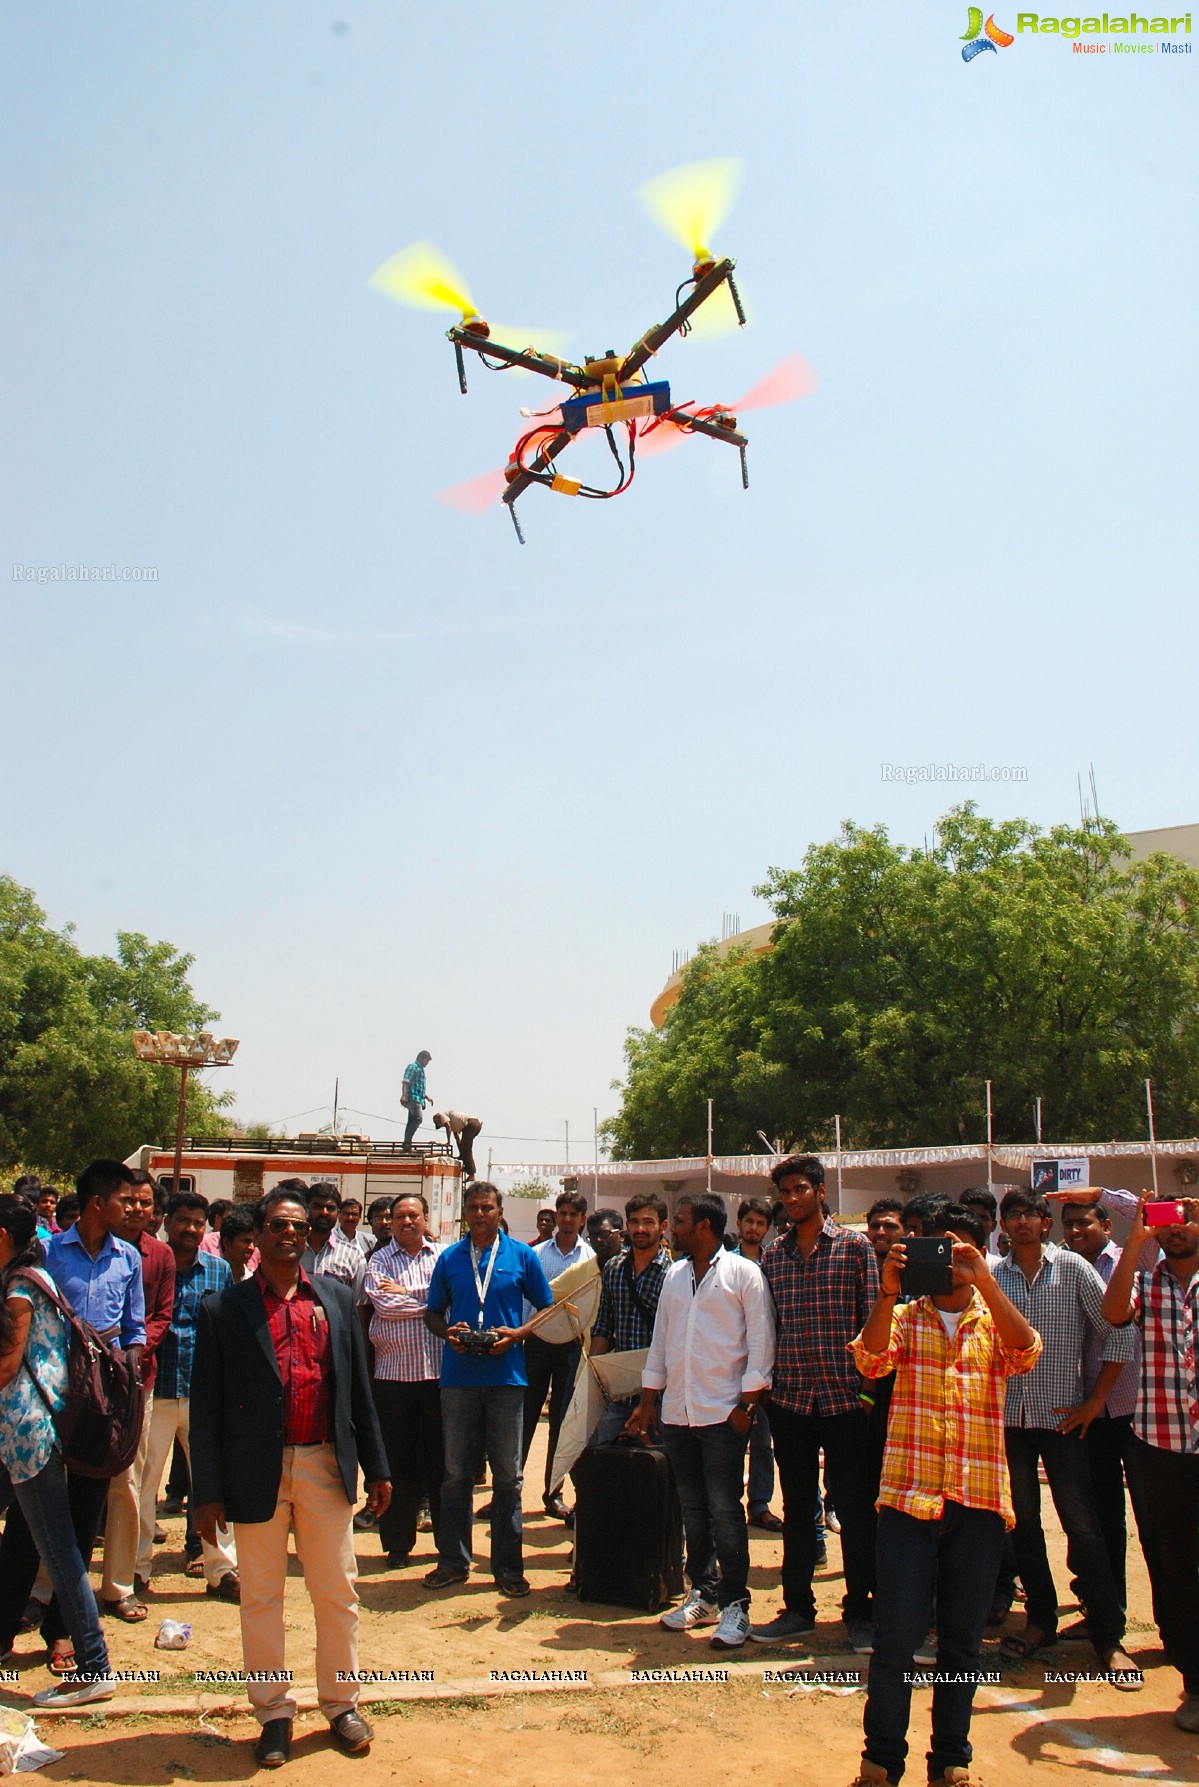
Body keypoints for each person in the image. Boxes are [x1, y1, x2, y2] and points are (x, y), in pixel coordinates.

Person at [191, 1184, 391, 1768]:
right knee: (261, 1598)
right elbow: (206, 1409)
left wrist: (376, 1465)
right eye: (277, 1225)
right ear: (258, 1234)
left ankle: (340, 1704)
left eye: (298, 1227)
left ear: (308, 1236)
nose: (289, 1235)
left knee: (337, 1592)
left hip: (324, 1463)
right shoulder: (224, 1309)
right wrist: (206, 1492)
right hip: (254, 1472)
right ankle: (274, 1712)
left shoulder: (333, 1300)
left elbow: (358, 1393)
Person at [846, 1204, 1043, 1787]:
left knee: (962, 1646)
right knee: (896, 1642)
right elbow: (870, 1360)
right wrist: (885, 1292)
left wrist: (985, 1280)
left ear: (982, 1255)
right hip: (909, 1500)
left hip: (977, 1502)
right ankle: (881, 1761)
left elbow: (1026, 1354)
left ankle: (951, 1762)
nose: (951, 1263)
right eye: (941, 1251)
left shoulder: (996, 1319)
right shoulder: (905, 1316)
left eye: (964, 1253)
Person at [992, 1188, 1138, 1679]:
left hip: (1063, 1420)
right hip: (1010, 1422)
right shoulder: (992, 1277)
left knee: (1084, 1527)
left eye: (1032, 1214)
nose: (1023, 1223)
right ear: (1004, 1225)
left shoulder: (1073, 1269)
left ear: (1044, 1223)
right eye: (1014, 1215)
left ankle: (1106, 1634)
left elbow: (1118, 1330)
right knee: (1025, 1526)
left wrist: (1095, 1401)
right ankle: (1039, 1620)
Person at [627, 1192, 775, 1650]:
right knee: (693, 1510)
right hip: (678, 1413)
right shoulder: (674, 1275)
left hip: (722, 1414)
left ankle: (736, 1605)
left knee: (726, 1512)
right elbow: (661, 1343)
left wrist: (746, 1408)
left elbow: (762, 1344)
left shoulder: (743, 1275)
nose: (673, 1227)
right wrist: (649, 1400)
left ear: (705, 1227)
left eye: (682, 1221)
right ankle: (703, 1592)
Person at [758, 1155, 881, 1652]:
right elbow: (769, 1328)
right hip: (790, 1401)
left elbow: (875, 1323)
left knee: (854, 1511)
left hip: (846, 1401)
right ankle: (798, 1610)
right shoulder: (774, 1255)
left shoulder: (855, 1248)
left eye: (801, 1189)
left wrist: (869, 1394)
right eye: (785, 1191)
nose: (792, 1199)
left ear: (821, 1191)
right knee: (798, 1508)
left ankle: (861, 1612)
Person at [0, 1195, 116, 1707]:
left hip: (30, 1433)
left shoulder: (21, 1288)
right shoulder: (32, 1278)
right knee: (60, 1546)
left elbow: (6, 1367)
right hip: (34, 1432)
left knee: (60, 1550)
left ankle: (94, 1668)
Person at [422, 1182, 554, 1597]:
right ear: (464, 1213)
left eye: (487, 1207)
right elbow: (431, 1313)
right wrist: (448, 1333)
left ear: (499, 1212)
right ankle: (453, 1561)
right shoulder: (449, 1258)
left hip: (506, 1379)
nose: (480, 1214)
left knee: (508, 1479)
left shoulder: (522, 1256)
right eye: (473, 1208)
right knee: (456, 1474)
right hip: (458, 1378)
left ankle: (508, 1568)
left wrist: (518, 1334)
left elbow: (548, 1307)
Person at [1101, 1192, 1199, 1732]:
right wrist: (1135, 1242)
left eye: (1182, 1219)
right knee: (1177, 1564)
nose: (1174, 1230)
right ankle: (1195, 1679)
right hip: (1162, 1443)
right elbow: (1114, 1316)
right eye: (1164, 1223)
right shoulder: (1145, 1281)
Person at [1057, 1195, 1154, 1627]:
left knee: (1155, 1520)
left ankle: (1175, 1621)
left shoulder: (1137, 1256)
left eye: (1085, 1222)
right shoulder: (1063, 1268)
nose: (1076, 1231)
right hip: (1088, 1414)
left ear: (1108, 1227)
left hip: (1136, 1410)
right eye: (1069, 1224)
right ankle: (1105, 1612)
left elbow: (1147, 1216)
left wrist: (1101, 1194)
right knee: (1101, 1519)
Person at [136, 1192, 238, 1601]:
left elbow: (230, 1334)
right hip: (155, 1391)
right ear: (166, 1223)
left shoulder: (219, 1272)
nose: (191, 1229)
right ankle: (136, 1568)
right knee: (143, 1486)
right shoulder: (148, 1267)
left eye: (198, 1222)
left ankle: (221, 1569)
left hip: (203, 1395)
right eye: (183, 1221)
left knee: (214, 1483)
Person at [100, 1170, 175, 1622]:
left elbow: (160, 1317)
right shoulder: (87, 1250)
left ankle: (118, 1585)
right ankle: (45, 1589)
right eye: (129, 1201)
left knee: (127, 1483)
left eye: (146, 1203)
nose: (137, 1210)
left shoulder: (158, 1255)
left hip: (134, 1383)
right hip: (77, 1385)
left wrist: (126, 1356)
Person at [363, 1192, 444, 1568]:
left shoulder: (444, 1257)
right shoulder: (378, 1259)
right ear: (389, 1222)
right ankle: (397, 1545)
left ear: (426, 1219)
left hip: (439, 1377)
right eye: (399, 1216)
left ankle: (449, 1545)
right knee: (397, 1466)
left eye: (414, 1215)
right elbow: (384, 1306)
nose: (406, 1221)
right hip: (392, 1379)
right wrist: (430, 1304)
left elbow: (454, 1300)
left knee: (442, 1466)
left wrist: (408, 1294)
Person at [523, 1190, 595, 1522]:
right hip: (535, 1343)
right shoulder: (534, 1255)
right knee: (524, 1420)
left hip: (571, 1348)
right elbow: (527, 1303)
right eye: (562, 1213)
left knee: (561, 1422)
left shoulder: (590, 1259)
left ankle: (553, 1494)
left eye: (573, 1215)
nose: (566, 1219)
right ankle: (507, 1492)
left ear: (582, 1219)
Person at [590, 1193, 672, 1444]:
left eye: (648, 1222)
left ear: (663, 1227)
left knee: (654, 1469)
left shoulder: (673, 1275)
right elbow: (604, 1327)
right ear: (626, 1226)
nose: (640, 1229)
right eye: (634, 1222)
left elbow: (674, 1341)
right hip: (619, 1394)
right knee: (592, 1452)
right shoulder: (614, 1268)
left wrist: (649, 1400)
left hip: (661, 1397)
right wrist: (592, 1378)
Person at [732, 1196, 785, 1535]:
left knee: (763, 1441)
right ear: (739, 1224)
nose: (753, 1228)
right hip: (732, 1362)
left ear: (766, 1229)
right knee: (731, 1439)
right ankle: (728, 1504)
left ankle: (760, 1504)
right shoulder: (724, 1264)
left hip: (767, 1364)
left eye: (760, 1223)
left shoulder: (775, 1263)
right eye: (749, 1221)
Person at [301, 1182, 367, 1303]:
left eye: (330, 1208)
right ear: (306, 1209)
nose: (324, 1212)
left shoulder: (354, 1256)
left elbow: (359, 1306)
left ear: (338, 1213)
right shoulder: (292, 1250)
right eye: (317, 1206)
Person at [432, 1110, 483, 1179]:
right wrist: (461, 1154)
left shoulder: (442, 1115)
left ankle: (471, 1174)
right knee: (465, 1147)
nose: (443, 1125)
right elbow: (457, 1138)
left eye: (440, 1123)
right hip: (473, 1125)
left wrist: (448, 1142)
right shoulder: (454, 1124)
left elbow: (448, 1126)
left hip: (471, 1124)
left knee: (467, 1149)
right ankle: (467, 1167)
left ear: (438, 1118)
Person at [219, 1205, 259, 1282]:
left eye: (254, 1242)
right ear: (227, 1243)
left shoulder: (252, 1283)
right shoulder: (212, 1278)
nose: (252, 1247)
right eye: (246, 1241)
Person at [402, 1050, 432, 1149]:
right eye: (426, 1061)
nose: (427, 1064)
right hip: (412, 1098)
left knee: (411, 1120)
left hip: (417, 1097)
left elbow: (417, 1086)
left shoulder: (420, 1069)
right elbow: (406, 1081)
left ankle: (407, 1142)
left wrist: (426, 1097)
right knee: (418, 1118)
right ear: (421, 1058)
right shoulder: (413, 1067)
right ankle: (407, 1142)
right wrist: (404, 1095)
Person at [865, 1200, 905, 1266]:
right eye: (875, 1226)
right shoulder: (856, 1271)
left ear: (905, 1231)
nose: (880, 1232)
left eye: (890, 1226)